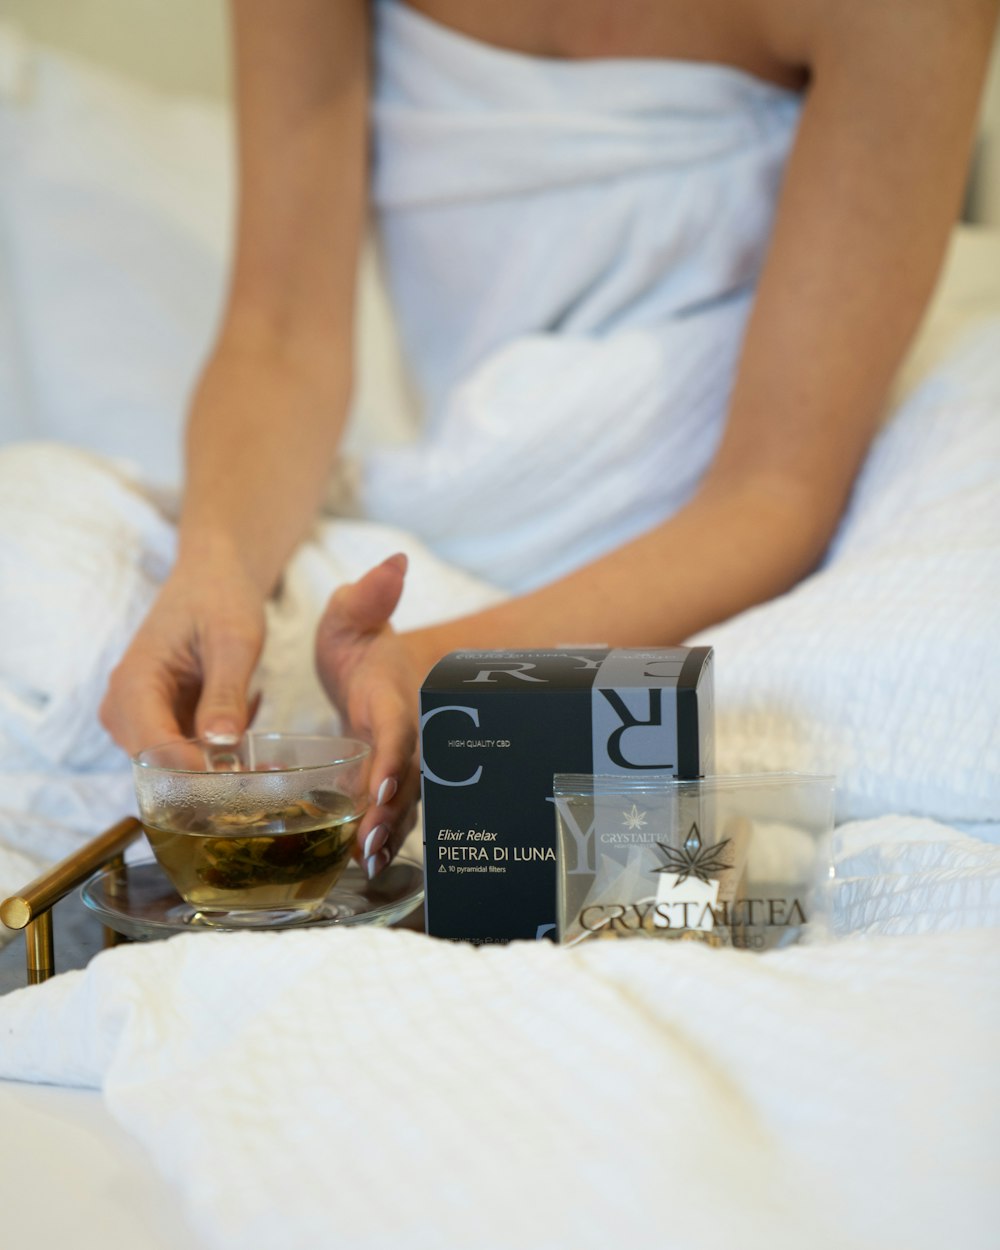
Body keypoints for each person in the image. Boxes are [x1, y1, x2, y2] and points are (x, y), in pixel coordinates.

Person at [99, 0, 998, 879]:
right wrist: (214, 568)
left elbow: (774, 491)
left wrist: (433, 666)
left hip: (717, 570)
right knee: (59, 574)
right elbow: (280, 331)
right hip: (451, 525)